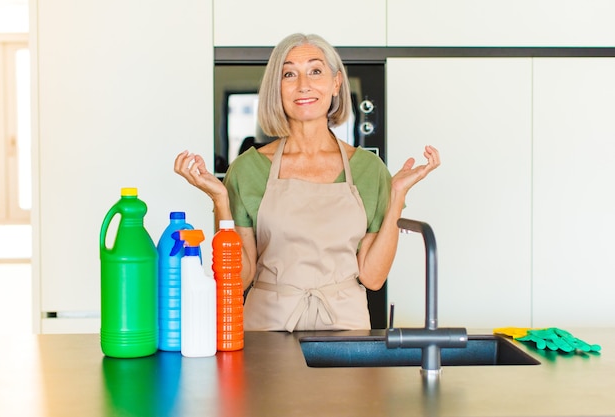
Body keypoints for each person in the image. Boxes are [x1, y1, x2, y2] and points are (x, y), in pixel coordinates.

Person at [174, 33, 440, 332]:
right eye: (289, 74)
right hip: (267, 330)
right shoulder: (248, 168)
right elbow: (240, 278)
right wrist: (220, 201)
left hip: (345, 328)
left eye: (315, 71)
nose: (304, 85)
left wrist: (396, 194)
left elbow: (373, 277)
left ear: (336, 83)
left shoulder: (368, 169)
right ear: (278, 88)